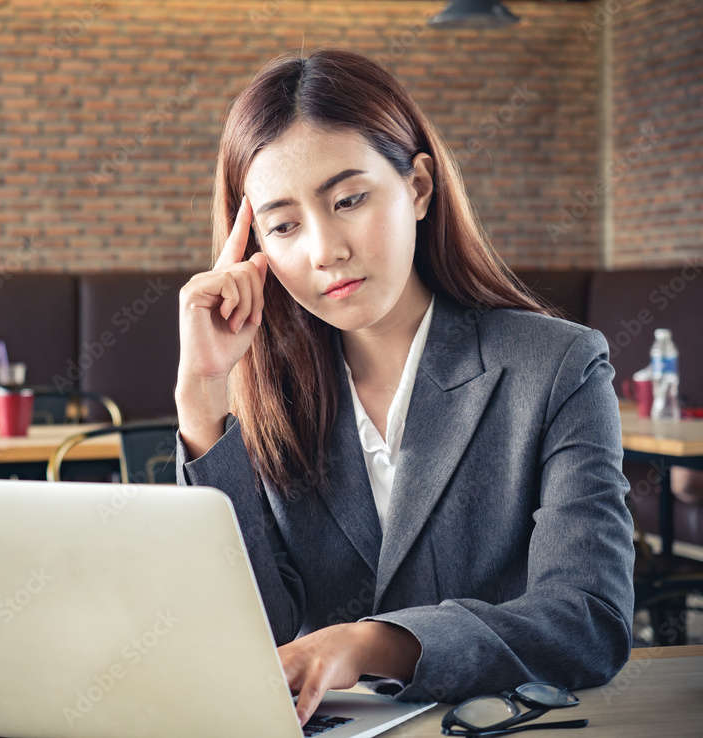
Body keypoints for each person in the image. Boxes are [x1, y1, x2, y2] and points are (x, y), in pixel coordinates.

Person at [174, 49, 634, 724]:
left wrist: (373, 643)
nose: (324, 249)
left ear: (419, 187)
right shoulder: (268, 398)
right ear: (256, 250)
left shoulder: (556, 366)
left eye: (350, 200)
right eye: (283, 225)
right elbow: (248, 634)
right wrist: (202, 400)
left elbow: (588, 621)